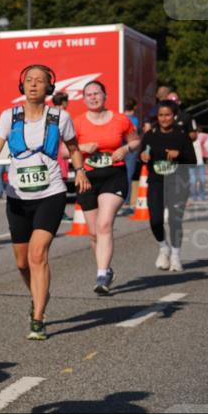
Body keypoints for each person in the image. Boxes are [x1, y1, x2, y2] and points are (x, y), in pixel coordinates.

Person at [0, 65, 90, 341]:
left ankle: (39, 316)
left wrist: (80, 172)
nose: (33, 85)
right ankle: (39, 292)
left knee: (37, 254)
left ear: (48, 88)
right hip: (18, 196)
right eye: (29, 81)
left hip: (50, 193)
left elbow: (75, 148)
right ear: (22, 86)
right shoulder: (10, 116)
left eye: (39, 81)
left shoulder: (60, 117)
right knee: (21, 262)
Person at [73, 80, 139, 294]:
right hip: (87, 179)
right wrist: (82, 148)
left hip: (114, 176)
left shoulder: (121, 120)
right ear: (84, 99)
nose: (93, 97)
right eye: (88, 94)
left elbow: (137, 140)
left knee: (104, 224)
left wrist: (126, 149)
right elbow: (64, 152)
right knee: (94, 233)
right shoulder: (78, 123)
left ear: (105, 95)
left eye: (97, 93)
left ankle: (101, 276)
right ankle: (107, 268)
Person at [141, 100, 196, 272]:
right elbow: (142, 154)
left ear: (174, 116)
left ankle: (176, 256)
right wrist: (142, 156)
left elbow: (192, 162)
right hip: (156, 182)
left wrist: (179, 155)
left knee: (174, 220)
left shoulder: (181, 135)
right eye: (161, 115)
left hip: (178, 182)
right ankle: (163, 248)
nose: (164, 119)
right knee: (155, 220)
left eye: (167, 115)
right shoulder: (150, 135)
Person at [122, 97, 141, 212]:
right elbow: (136, 134)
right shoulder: (135, 120)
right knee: (128, 175)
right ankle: (126, 202)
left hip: (120, 148)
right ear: (135, 107)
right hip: (131, 150)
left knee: (120, 175)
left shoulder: (121, 117)